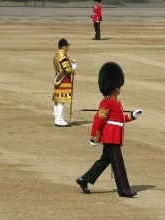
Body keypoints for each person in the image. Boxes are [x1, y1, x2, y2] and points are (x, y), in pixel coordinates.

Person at [76, 62, 143, 198]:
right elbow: (99, 119)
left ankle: (84, 179)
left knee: (104, 161)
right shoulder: (107, 101)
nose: (119, 88)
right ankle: (124, 189)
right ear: (113, 87)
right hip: (110, 136)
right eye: (118, 86)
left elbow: (118, 119)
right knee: (118, 163)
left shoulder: (115, 101)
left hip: (114, 135)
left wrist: (132, 116)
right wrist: (94, 137)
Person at [52, 38, 77, 127]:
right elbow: (67, 70)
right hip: (63, 80)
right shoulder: (63, 55)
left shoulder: (56, 55)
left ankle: (57, 119)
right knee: (61, 101)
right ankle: (60, 120)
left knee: (57, 100)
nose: (67, 47)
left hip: (58, 79)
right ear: (63, 46)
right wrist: (73, 69)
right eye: (66, 46)